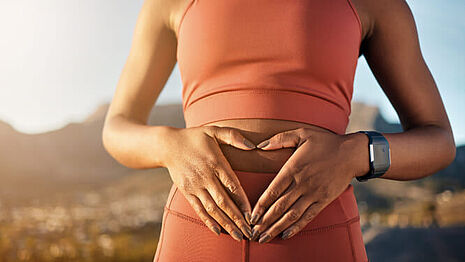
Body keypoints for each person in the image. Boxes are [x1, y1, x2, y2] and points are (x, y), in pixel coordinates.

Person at [101, 0, 456, 261]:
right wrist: (170, 146)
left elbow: (438, 139)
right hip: (197, 235)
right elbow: (117, 128)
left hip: (320, 236)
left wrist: (355, 154)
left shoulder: (378, 5)